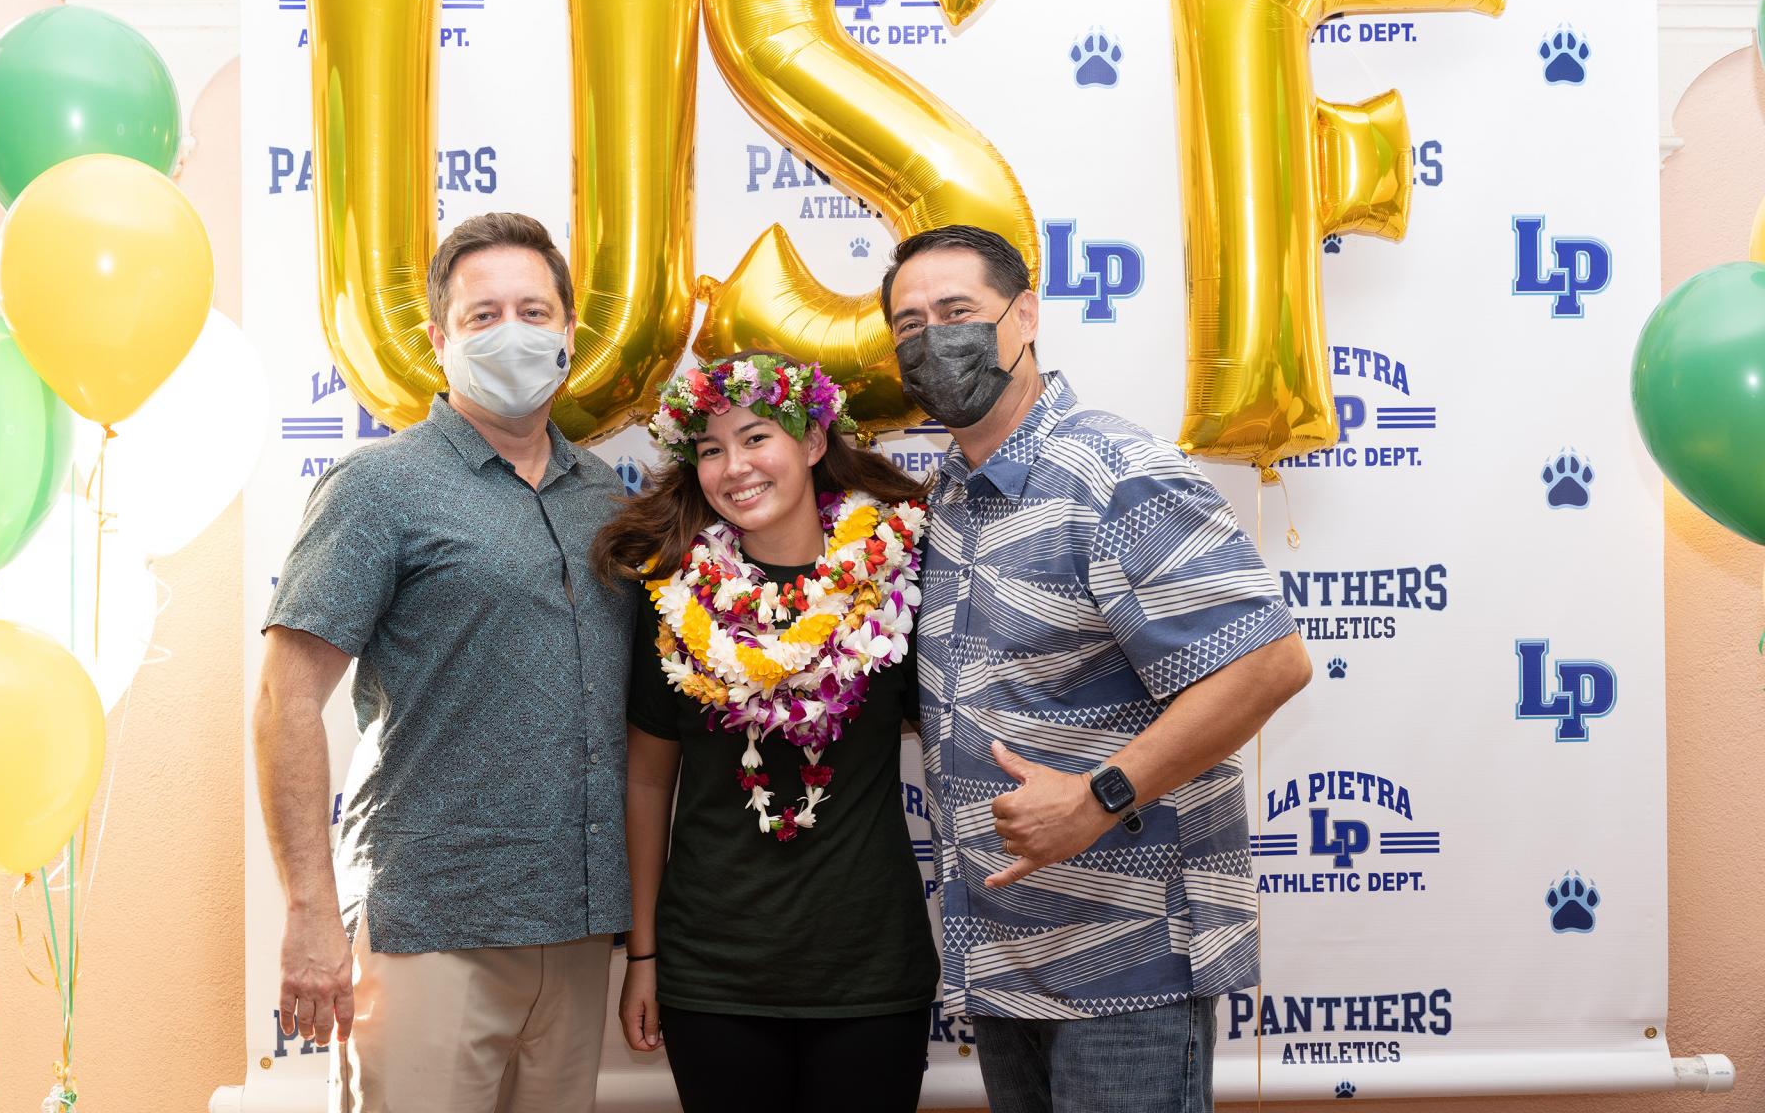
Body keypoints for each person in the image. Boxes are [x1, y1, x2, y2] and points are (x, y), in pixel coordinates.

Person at [881, 224, 1314, 1113]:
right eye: (909, 325)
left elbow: (1270, 663)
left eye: (957, 311)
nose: (934, 340)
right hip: (1008, 958)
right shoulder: (951, 495)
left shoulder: (1114, 473)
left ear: (1025, 313)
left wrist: (1097, 798)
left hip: (1132, 964)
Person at [252, 212, 633, 1113]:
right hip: (434, 925)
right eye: (483, 314)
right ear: (439, 339)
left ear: (567, 335)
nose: (513, 332)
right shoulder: (379, 488)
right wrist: (309, 912)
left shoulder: (605, 499)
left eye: (534, 310)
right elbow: (285, 702)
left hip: (577, 932)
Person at [592, 351, 940, 1113]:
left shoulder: (897, 581)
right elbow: (648, 781)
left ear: (813, 442)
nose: (733, 466)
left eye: (756, 438)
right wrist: (642, 956)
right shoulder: (672, 598)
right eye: (710, 449)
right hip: (712, 972)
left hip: (870, 968)